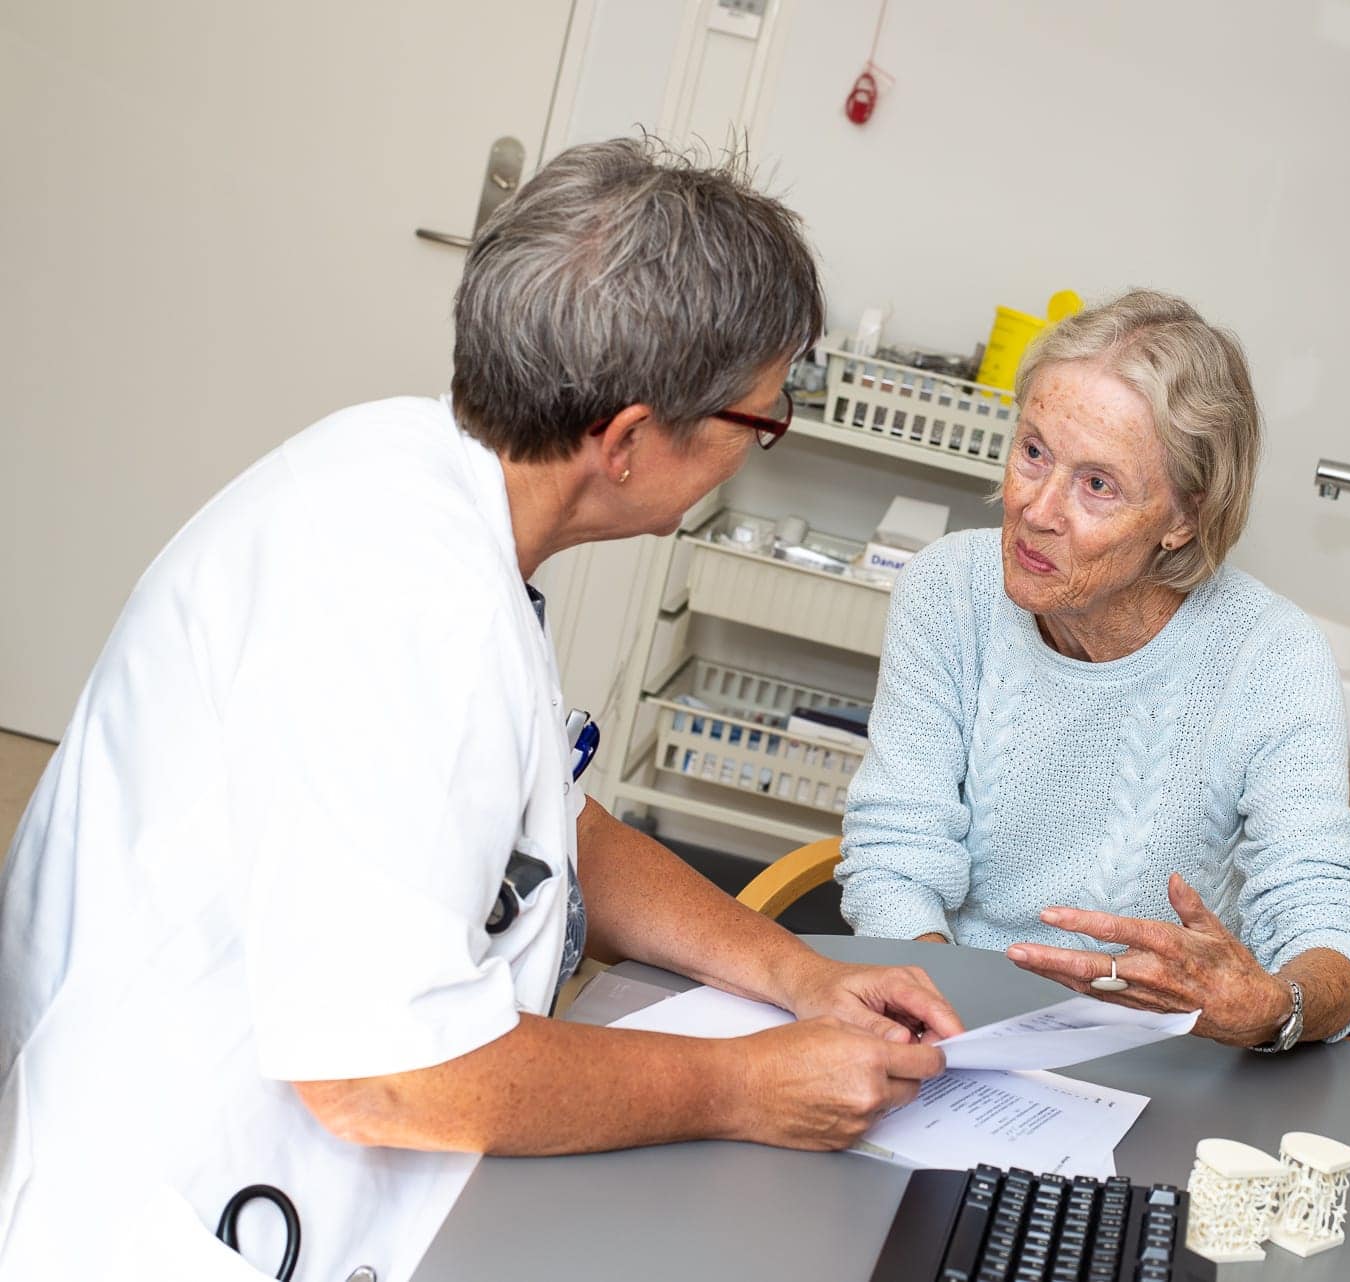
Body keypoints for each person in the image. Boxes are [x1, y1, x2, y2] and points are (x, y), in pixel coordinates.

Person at [0, 139, 959, 1282]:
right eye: (765, 419)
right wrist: (741, 1084)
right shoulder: (404, 601)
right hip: (193, 1213)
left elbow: (557, 826)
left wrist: (802, 976)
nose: (764, 439)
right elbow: (382, 1074)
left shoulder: (421, 472)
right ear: (629, 439)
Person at [836, 289, 1350, 1052]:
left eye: (1098, 484)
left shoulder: (1271, 655)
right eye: (1033, 452)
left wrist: (1273, 1008)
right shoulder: (947, 589)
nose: (1037, 509)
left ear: (1184, 517)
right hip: (952, 1014)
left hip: (1163, 1055)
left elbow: (1326, 912)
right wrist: (950, 1030)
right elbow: (897, 854)